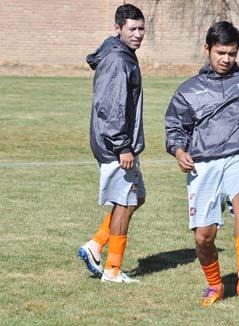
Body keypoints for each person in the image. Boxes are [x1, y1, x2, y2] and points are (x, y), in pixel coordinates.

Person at [165, 21, 239, 306]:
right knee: (204, 238)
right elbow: (175, 127)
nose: (226, 59)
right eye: (220, 52)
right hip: (202, 164)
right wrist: (179, 150)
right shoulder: (189, 90)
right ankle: (215, 285)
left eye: (232, 53)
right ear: (206, 49)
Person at [77, 4, 146, 283]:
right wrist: (122, 146)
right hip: (116, 145)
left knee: (136, 197)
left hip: (119, 142)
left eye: (142, 28)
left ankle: (94, 245)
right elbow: (110, 106)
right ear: (118, 29)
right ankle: (113, 270)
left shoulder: (122, 54)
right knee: (124, 202)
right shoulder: (118, 60)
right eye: (132, 29)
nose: (138, 34)